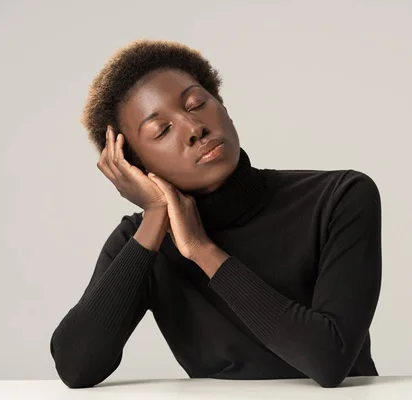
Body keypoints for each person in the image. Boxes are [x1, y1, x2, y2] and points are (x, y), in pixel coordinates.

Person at [50, 39, 382, 389]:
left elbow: (329, 359)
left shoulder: (338, 198)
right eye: (161, 130)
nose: (194, 129)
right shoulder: (141, 242)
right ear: (135, 166)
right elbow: (76, 367)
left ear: (222, 106)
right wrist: (155, 216)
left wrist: (200, 249)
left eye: (196, 105)